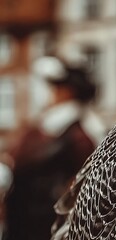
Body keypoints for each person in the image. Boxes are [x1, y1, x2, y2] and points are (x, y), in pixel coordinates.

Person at [0, 57, 101, 240]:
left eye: (52, 86)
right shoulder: (46, 127)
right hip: (27, 222)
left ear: (66, 91)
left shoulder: (78, 134)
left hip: (46, 224)